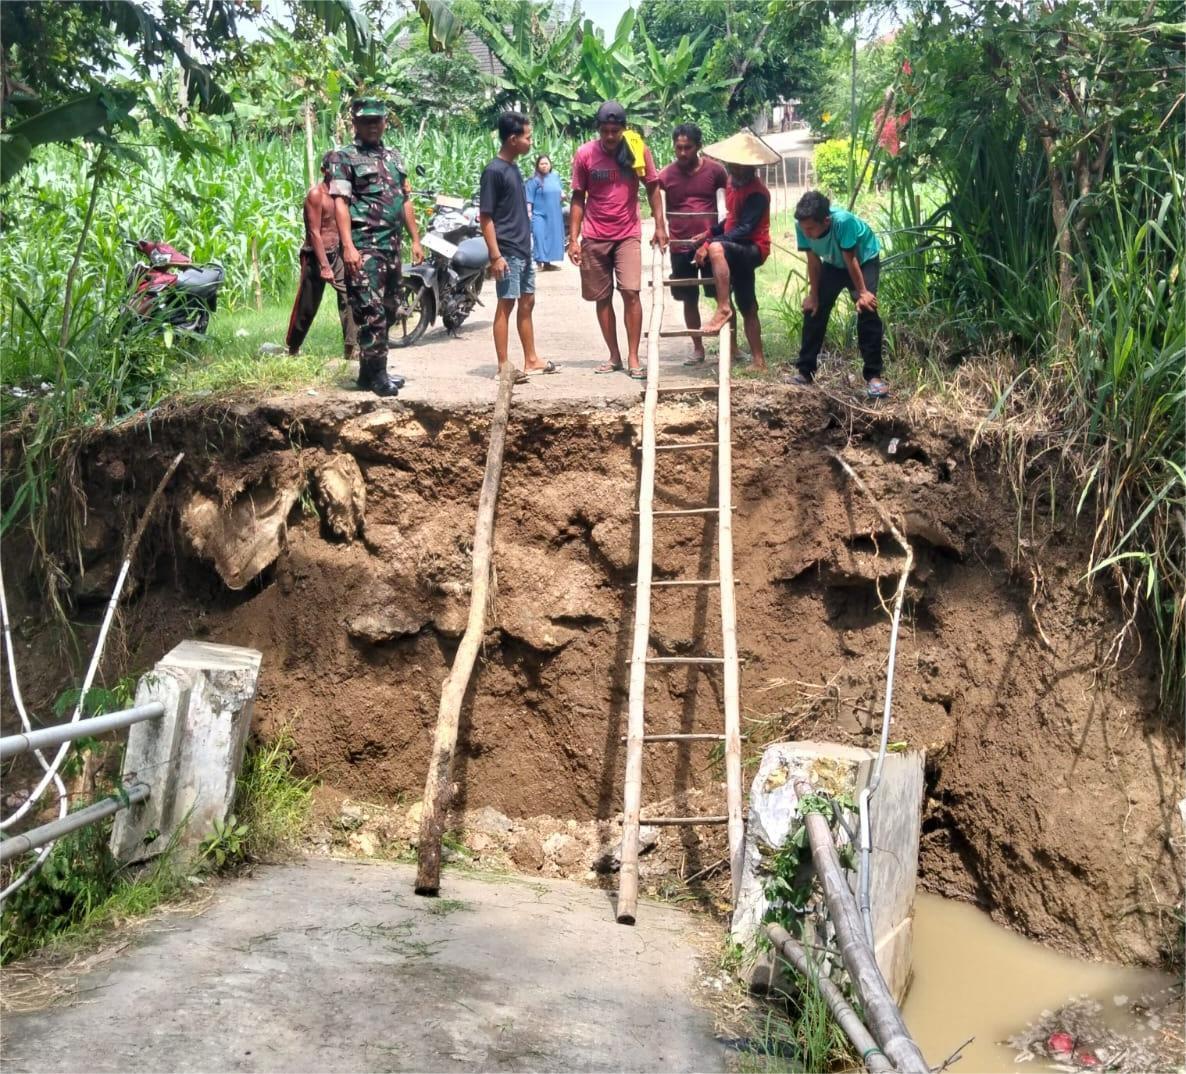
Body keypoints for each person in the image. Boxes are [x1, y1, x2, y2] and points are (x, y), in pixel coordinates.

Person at [327, 97, 423, 397]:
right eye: (366, 120)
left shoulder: (395, 158)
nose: (372, 125)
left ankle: (368, 374)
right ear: (355, 123)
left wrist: (415, 239)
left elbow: (406, 200)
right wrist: (348, 246)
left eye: (377, 120)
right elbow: (340, 203)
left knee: (392, 309)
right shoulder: (343, 158)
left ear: (384, 122)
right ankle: (379, 374)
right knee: (370, 311)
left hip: (392, 247)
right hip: (364, 247)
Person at [568, 100, 668, 379]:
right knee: (602, 297)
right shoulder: (585, 154)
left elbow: (653, 187)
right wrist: (573, 239)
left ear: (623, 129)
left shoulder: (637, 150)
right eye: (605, 131)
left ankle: (634, 355)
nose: (610, 137)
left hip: (627, 234)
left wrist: (660, 226)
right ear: (598, 129)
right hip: (594, 235)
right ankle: (614, 355)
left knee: (631, 292)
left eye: (615, 131)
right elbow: (578, 197)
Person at [478, 111, 557, 384]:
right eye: (528, 137)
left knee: (528, 302)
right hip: (507, 250)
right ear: (513, 139)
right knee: (506, 304)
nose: (530, 142)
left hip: (524, 249)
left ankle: (531, 359)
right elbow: (485, 216)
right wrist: (496, 255)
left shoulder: (513, 168)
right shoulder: (494, 171)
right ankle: (503, 366)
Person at [690, 130, 777, 372]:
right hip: (734, 248)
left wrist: (711, 243)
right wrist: (708, 234)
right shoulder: (731, 185)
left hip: (753, 247)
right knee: (741, 297)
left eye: (741, 167)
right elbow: (730, 220)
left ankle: (758, 359)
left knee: (745, 301)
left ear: (751, 168)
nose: (736, 170)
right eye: (733, 166)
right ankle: (734, 346)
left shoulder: (758, 194)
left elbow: (745, 229)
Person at [790, 190, 888, 398]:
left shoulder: (842, 222)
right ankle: (805, 371)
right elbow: (814, 261)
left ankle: (874, 377)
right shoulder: (802, 225)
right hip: (834, 263)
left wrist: (862, 293)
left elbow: (850, 259)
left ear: (825, 221)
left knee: (867, 309)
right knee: (813, 310)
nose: (805, 233)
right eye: (803, 228)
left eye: (810, 229)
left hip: (863, 260)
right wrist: (813, 295)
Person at [657, 123, 728, 366]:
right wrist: (661, 230)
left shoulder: (716, 171)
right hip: (680, 245)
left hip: (712, 244)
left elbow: (725, 208)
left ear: (698, 146)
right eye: (679, 148)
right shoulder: (665, 176)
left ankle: (733, 346)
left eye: (688, 147)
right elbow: (656, 202)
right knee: (689, 298)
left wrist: (712, 238)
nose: (683, 153)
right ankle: (697, 348)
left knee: (723, 296)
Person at [285, 157, 358, 361]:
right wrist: (324, 266)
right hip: (316, 255)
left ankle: (351, 347)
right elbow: (315, 233)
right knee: (307, 305)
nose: (337, 172)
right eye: (334, 168)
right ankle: (293, 347)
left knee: (350, 296)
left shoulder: (343, 194)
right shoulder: (316, 195)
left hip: (338, 252)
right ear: (324, 169)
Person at [525, 155, 565, 270]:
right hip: (539, 214)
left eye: (546, 163)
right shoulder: (534, 179)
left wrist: (562, 195)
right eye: (541, 164)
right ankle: (539, 262)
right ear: (537, 166)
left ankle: (548, 264)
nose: (544, 166)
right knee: (539, 236)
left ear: (550, 165)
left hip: (554, 213)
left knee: (552, 237)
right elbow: (529, 197)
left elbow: (560, 190)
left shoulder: (555, 176)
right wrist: (529, 212)